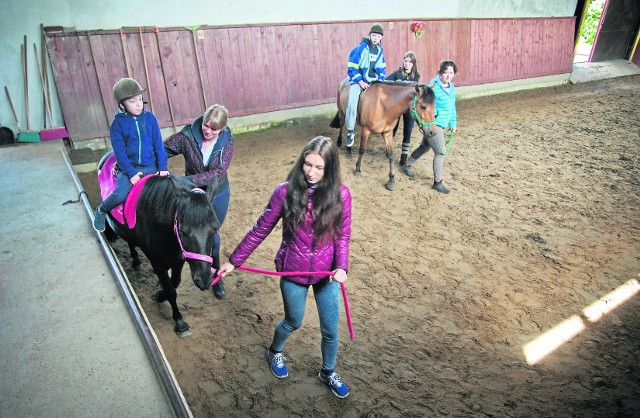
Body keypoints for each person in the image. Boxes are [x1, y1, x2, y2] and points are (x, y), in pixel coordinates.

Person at [218, 136, 352, 399]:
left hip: (327, 275)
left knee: (330, 330)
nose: (311, 172)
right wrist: (234, 261)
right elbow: (260, 230)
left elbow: (342, 235)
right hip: (293, 270)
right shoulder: (285, 191)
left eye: (319, 167)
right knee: (293, 321)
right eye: (307, 164)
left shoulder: (341, 194)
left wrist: (342, 266)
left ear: (330, 169)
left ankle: (328, 371)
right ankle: (275, 351)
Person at [163, 104, 234, 299]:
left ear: (222, 129)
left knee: (213, 237)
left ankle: (216, 278)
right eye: (206, 126)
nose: (209, 131)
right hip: (192, 195)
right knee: (189, 234)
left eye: (214, 129)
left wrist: (186, 180)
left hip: (216, 193)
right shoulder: (187, 136)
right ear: (202, 121)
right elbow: (163, 149)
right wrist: (151, 164)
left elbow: (217, 174)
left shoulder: (227, 142)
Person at [93, 78, 169, 232]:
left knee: (172, 187)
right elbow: (119, 154)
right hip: (129, 168)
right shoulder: (117, 126)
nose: (139, 104)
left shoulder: (150, 119)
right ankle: (101, 210)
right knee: (120, 195)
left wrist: (162, 167)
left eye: (140, 99)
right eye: (133, 101)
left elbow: (158, 145)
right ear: (122, 104)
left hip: (151, 165)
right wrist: (131, 173)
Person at [399, 60, 458, 194]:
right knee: (440, 152)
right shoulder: (433, 87)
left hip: (443, 124)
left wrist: (453, 123)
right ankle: (438, 182)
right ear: (440, 72)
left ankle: (407, 164)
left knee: (425, 147)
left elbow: (452, 107)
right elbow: (425, 106)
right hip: (433, 124)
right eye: (445, 72)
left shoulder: (451, 87)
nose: (448, 75)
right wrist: (436, 114)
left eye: (451, 72)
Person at [344, 23, 387, 148]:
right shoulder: (361, 48)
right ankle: (351, 130)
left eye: (378, 36)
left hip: (373, 81)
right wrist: (360, 81)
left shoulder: (380, 50)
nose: (375, 38)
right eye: (373, 35)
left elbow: (381, 68)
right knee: (352, 103)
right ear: (369, 35)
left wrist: (381, 81)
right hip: (359, 81)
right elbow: (352, 67)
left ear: (381, 38)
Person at [386, 51, 421, 167]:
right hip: (397, 106)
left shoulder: (416, 76)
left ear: (413, 63)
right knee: (393, 129)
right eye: (405, 61)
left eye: (410, 62)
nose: (407, 64)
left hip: (409, 108)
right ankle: (388, 148)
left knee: (408, 131)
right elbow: (386, 82)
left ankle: (403, 157)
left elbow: (416, 91)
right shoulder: (397, 74)